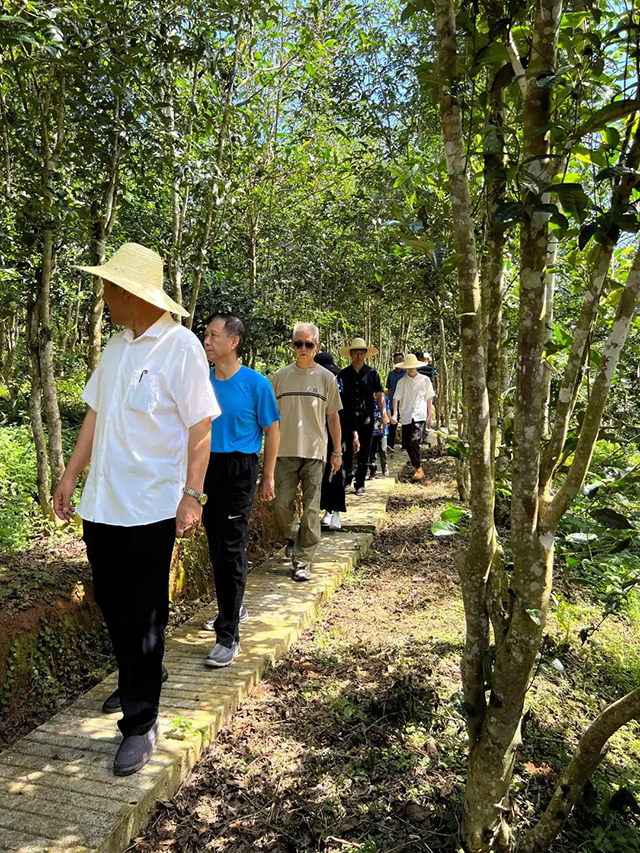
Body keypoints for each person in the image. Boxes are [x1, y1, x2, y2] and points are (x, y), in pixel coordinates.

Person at [54, 243, 220, 776]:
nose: (103, 296)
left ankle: (141, 720)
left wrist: (191, 494)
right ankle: (135, 680)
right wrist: (71, 473)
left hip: (151, 505)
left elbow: (200, 427)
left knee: (146, 612)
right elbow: (94, 417)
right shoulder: (116, 350)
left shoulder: (180, 347)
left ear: (131, 293)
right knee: (112, 602)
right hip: (103, 503)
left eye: (108, 287)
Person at [201, 313, 280, 667]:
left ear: (233, 342)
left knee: (231, 547)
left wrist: (268, 476)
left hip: (239, 469)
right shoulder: (201, 382)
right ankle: (232, 607)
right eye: (206, 335)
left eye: (213, 335)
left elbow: (272, 431)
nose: (206, 341)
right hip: (205, 469)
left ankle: (228, 634)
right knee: (216, 545)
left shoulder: (256, 384)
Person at [272, 324, 342, 581]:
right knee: (281, 503)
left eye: (308, 344)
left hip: (315, 452)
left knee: (311, 508)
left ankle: (303, 561)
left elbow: (333, 418)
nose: (303, 349)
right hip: (284, 451)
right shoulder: (280, 377)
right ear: (292, 345)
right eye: (298, 344)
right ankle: (292, 537)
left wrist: (337, 452)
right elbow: (270, 419)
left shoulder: (326, 378)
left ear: (317, 347)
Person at [338, 337, 386, 496]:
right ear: (351, 354)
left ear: (366, 355)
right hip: (347, 416)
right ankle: (346, 479)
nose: (359, 356)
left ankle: (360, 482)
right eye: (356, 353)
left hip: (367, 416)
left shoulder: (372, 374)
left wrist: (384, 414)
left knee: (365, 450)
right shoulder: (343, 374)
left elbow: (379, 394)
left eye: (362, 353)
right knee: (347, 449)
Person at [314, 352, 349, 531]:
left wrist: (354, 434)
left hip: (337, 436)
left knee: (337, 473)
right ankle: (325, 510)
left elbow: (346, 413)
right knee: (317, 475)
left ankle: (335, 511)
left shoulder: (340, 386)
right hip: (315, 437)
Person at [391, 353, 435, 480]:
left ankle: (417, 466)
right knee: (407, 444)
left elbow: (429, 398)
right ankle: (418, 469)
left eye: (412, 367)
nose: (410, 369)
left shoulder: (425, 380)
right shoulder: (402, 382)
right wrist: (394, 413)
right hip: (406, 415)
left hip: (419, 415)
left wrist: (430, 415)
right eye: (408, 367)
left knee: (414, 440)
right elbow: (396, 398)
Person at [386, 353, 406, 451]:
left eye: (401, 359)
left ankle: (405, 445)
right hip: (393, 403)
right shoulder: (391, 374)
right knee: (393, 424)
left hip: (405, 402)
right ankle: (390, 445)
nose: (399, 361)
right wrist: (388, 401)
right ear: (394, 361)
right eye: (397, 360)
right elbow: (389, 389)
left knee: (406, 424)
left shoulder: (406, 374)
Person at [368, 395, 390, 479]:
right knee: (371, 452)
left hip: (382, 431)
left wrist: (389, 419)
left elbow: (387, 412)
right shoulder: (367, 399)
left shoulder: (384, 399)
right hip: (371, 431)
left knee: (382, 450)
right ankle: (373, 471)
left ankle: (384, 467)